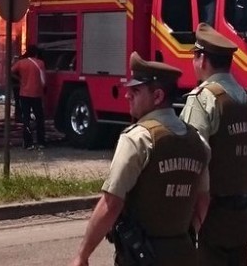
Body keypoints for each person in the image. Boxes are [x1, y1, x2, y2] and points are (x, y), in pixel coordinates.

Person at [68, 53, 210, 266]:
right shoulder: (198, 142)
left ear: (158, 96)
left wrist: (82, 254)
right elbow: (203, 200)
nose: (127, 96)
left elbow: (111, 203)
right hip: (184, 253)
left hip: (142, 257)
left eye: (135, 90)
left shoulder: (137, 139)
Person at [181, 24, 247, 266]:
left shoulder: (202, 100)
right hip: (243, 215)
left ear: (202, 59)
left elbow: (194, 159)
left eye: (194, 56)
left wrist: (190, 217)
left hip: (210, 216)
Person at [11, 44, 46, 149]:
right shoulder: (40, 63)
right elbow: (44, 81)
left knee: (26, 118)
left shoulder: (21, 63)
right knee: (39, 118)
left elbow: (10, 71)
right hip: (36, 94)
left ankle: (27, 143)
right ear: (36, 53)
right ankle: (41, 142)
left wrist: (19, 80)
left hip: (24, 94)